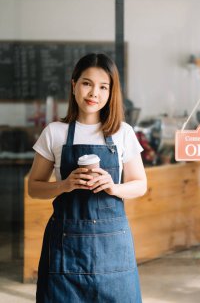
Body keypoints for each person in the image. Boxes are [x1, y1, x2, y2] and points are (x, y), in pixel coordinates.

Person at [28, 53, 147, 303]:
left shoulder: (122, 133)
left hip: (113, 248)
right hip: (65, 249)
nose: (94, 93)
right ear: (74, 85)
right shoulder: (54, 133)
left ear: (111, 92)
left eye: (103, 86)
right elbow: (34, 188)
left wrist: (113, 187)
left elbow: (140, 184)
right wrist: (64, 185)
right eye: (87, 83)